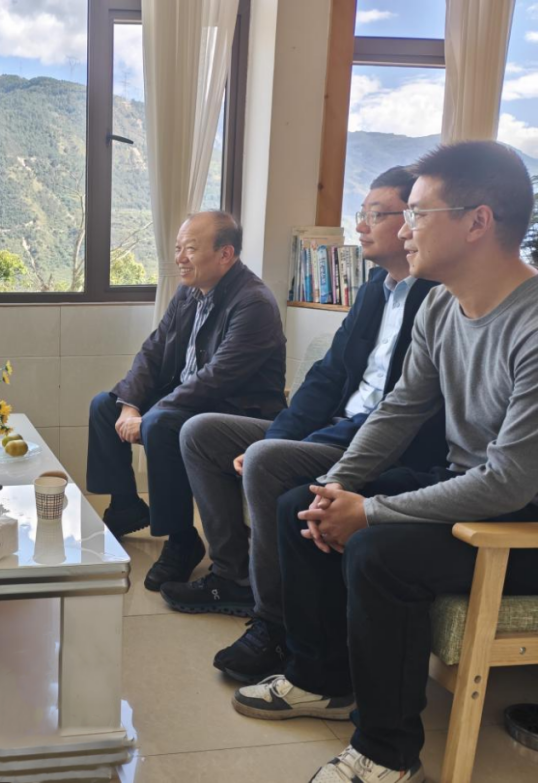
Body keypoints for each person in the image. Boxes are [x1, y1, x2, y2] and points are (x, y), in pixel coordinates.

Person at [232, 140, 538, 783]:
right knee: (298, 507)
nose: (403, 229)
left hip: (523, 519)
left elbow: (510, 482)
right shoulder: (440, 304)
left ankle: (386, 754)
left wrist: (370, 512)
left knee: (379, 551)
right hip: (467, 486)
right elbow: (399, 408)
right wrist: (336, 485)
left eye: (419, 213)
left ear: (478, 222)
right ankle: (320, 678)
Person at [172, 167, 445, 685]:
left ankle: (274, 625)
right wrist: (279, 434)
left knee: (266, 460)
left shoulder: (438, 298)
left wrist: (282, 446)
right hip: (338, 428)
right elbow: (326, 377)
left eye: (376, 215)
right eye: (361, 214)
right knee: (201, 432)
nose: (360, 226)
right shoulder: (375, 290)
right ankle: (232, 576)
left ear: (412, 220)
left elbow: (401, 414)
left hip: (381, 446)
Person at [87, 210, 286, 591]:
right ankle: (126, 506)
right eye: (178, 248)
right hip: (193, 399)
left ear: (225, 254)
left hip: (237, 410)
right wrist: (129, 404)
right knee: (103, 406)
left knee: (160, 423)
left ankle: (182, 540)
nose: (179, 258)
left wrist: (153, 412)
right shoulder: (188, 293)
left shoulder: (253, 302)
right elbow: (153, 351)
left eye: (190, 249)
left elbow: (218, 378)